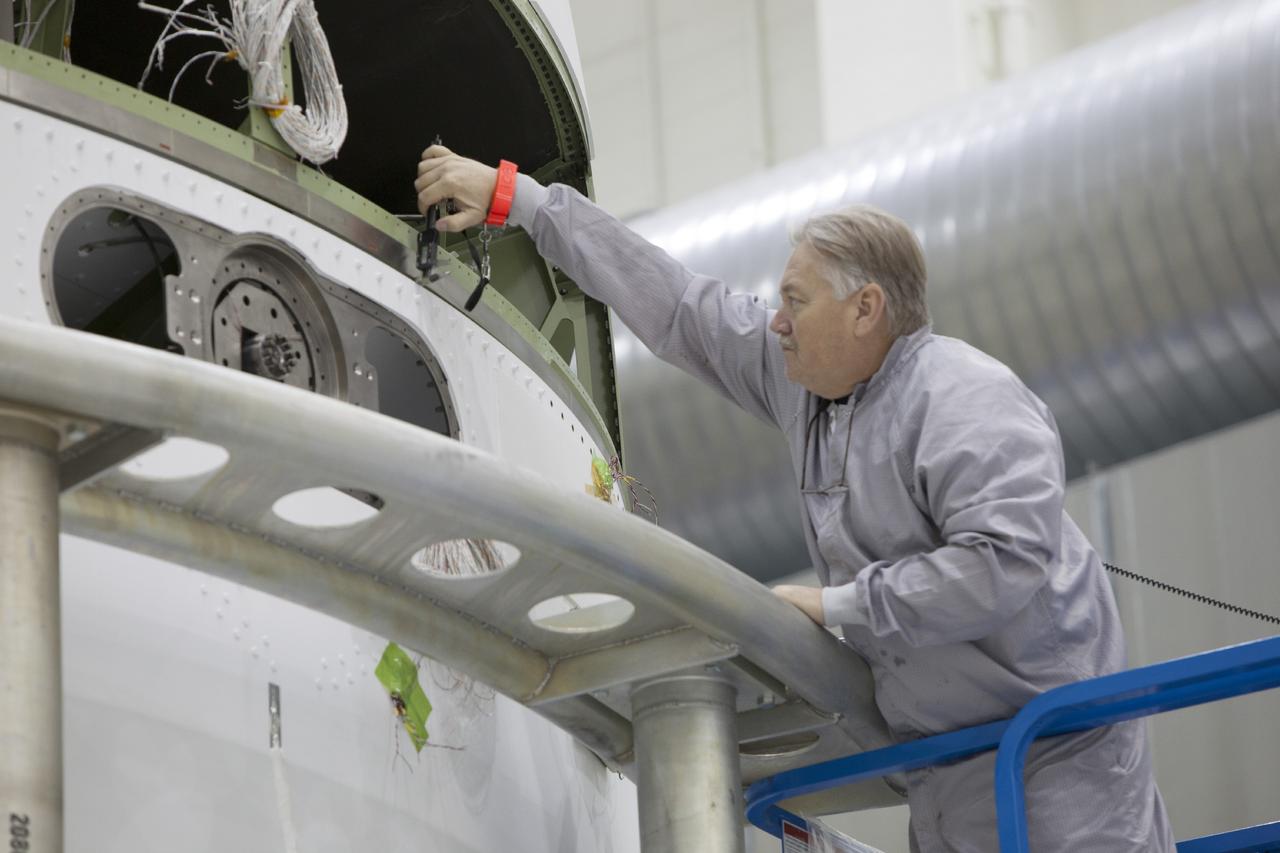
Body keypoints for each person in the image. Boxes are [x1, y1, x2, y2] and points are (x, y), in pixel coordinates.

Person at [413, 145, 1175, 853]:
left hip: (1056, 774)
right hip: (945, 782)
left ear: (866, 309)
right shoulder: (810, 387)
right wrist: (522, 200)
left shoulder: (966, 401)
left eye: (795, 300)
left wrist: (835, 606)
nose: (776, 320)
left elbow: (1002, 570)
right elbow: (680, 310)